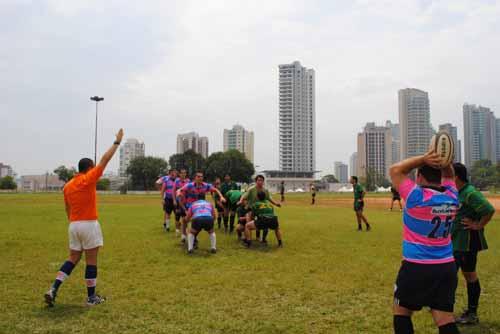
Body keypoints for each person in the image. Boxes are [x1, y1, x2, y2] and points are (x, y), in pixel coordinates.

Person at [44, 129, 124, 307]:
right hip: (89, 224)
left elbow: (67, 207)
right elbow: (105, 160)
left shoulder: (68, 185)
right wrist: (117, 142)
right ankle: (91, 298)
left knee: (73, 258)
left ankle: (53, 288)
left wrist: (73, 222)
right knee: (91, 261)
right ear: (89, 168)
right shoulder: (88, 179)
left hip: (73, 225)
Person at [389, 150, 460, 334]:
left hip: (416, 267)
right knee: (444, 318)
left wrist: (423, 159)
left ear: (419, 177)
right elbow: (450, 175)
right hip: (446, 267)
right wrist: (443, 161)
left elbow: (396, 170)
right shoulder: (452, 197)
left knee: (402, 312)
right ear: (440, 176)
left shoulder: (416, 197)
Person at [451, 163, 495, 325]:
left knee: (465, 275)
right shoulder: (458, 192)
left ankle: (470, 312)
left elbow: (488, 209)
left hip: (466, 243)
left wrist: (478, 224)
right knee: (460, 274)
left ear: (456, 176)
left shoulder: (470, 193)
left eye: (448, 174)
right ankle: (459, 309)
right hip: (456, 241)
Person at [177, 171, 226, 248]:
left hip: (199, 207)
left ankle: (193, 240)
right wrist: (179, 193)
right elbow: (179, 190)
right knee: (185, 220)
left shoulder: (205, 185)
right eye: (198, 176)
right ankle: (184, 235)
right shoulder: (190, 185)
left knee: (193, 223)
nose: (200, 178)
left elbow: (215, 190)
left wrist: (221, 197)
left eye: (201, 176)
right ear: (195, 178)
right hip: (189, 206)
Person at [239, 175, 281, 243]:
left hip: (261, 208)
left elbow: (269, 198)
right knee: (249, 222)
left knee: (262, 221)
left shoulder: (265, 190)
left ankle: (259, 238)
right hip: (251, 208)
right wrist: (240, 201)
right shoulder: (251, 189)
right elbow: (244, 196)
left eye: (261, 180)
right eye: (258, 180)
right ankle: (248, 239)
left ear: (263, 181)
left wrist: (276, 204)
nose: (260, 182)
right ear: (256, 181)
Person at [175, 168, 190, 242]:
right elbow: (173, 191)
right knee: (180, 218)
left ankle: (184, 235)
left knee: (185, 219)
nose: (183, 174)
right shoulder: (177, 181)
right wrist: (174, 200)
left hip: (186, 203)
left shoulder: (188, 181)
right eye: (182, 173)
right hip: (179, 202)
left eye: (185, 173)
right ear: (179, 174)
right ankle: (181, 233)